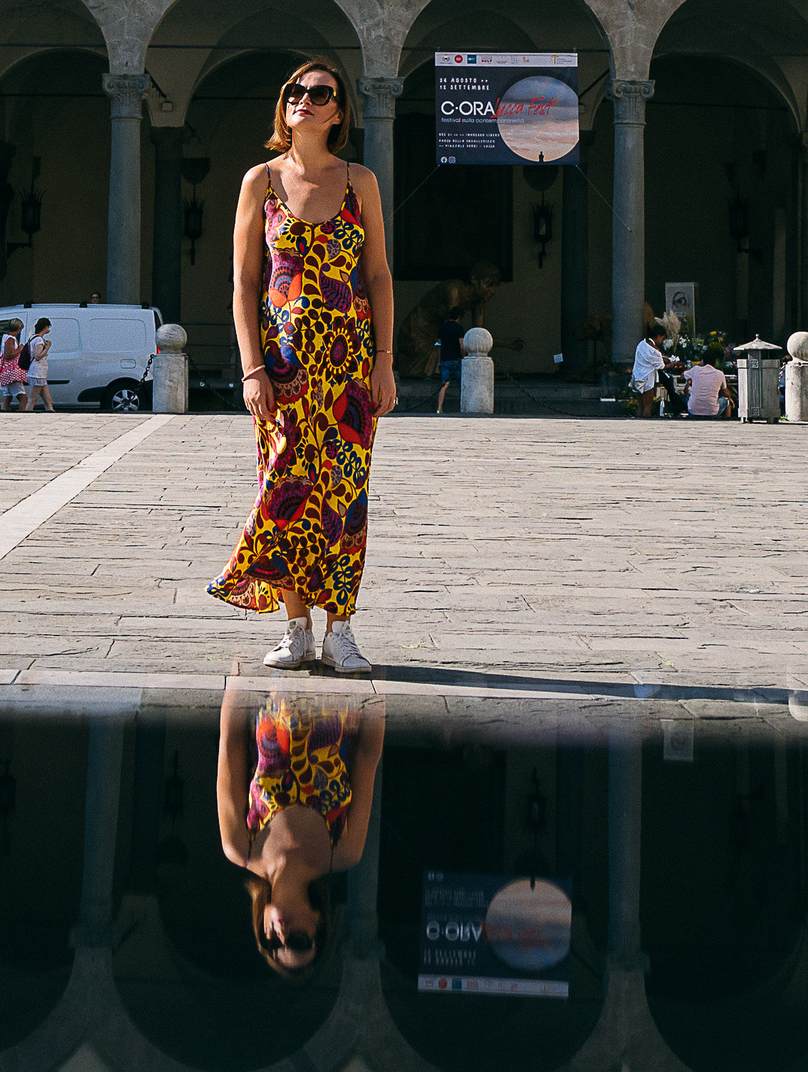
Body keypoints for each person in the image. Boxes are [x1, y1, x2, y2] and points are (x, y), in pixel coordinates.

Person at [209, 60, 396, 675]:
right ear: (283, 106)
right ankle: (295, 627)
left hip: (348, 370)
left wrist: (386, 363)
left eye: (320, 94)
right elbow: (242, 280)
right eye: (294, 91)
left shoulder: (359, 181)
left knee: (345, 494)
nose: (304, 100)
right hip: (283, 370)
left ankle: (341, 629)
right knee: (286, 491)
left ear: (339, 112)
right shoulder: (260, 181)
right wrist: (251, 368)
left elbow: (377, 275)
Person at [219, 667, 383, 978]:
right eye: (296, 941)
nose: (280, 934)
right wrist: (380, 686)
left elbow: (232, 746)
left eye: (271, 944)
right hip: (338, 689)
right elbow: (366, 755)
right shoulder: (343, 851)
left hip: (274, 682)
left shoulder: (240, 847)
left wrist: (237, 670)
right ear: (318, 922)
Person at [627, 324, 667, 418]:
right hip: (647, 380)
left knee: (641, 406)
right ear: (658, 336)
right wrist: (672, 363)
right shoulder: (654, 351)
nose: (662, 341)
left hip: (637, 377)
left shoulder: (642, 344)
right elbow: (662, 367)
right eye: (662, 338)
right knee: (647, 406)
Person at [433, 312, 467, 414]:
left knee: (444, 384)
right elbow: (462, 345)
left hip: (444, 359)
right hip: (456, 359)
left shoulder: (442, 327)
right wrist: (465, 356)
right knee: (462, 384)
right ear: (458, 316)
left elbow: (439, 345)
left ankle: (439, 408)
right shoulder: (459, 328)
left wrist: (439, 361)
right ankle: (465, 407)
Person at [25, 316, 55, 413]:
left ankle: (50, 412)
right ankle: (26, 415)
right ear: (45, 327)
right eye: (48, 327)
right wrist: (48, 347)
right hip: (37, 373)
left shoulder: (33, 338)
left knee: (48, 400)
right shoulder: (38, 340)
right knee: (32, 399)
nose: (49, 329)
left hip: (40, 373)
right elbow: (38, 356)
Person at [0, 322, 28, 411]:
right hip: (12, 372)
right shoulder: (11, 339)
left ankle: (3, 411)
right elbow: (8, 355)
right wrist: (20, 349)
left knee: (8, 396)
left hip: (6, 372)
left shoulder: (6, 338)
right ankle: (23, 413)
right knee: (23, 398)